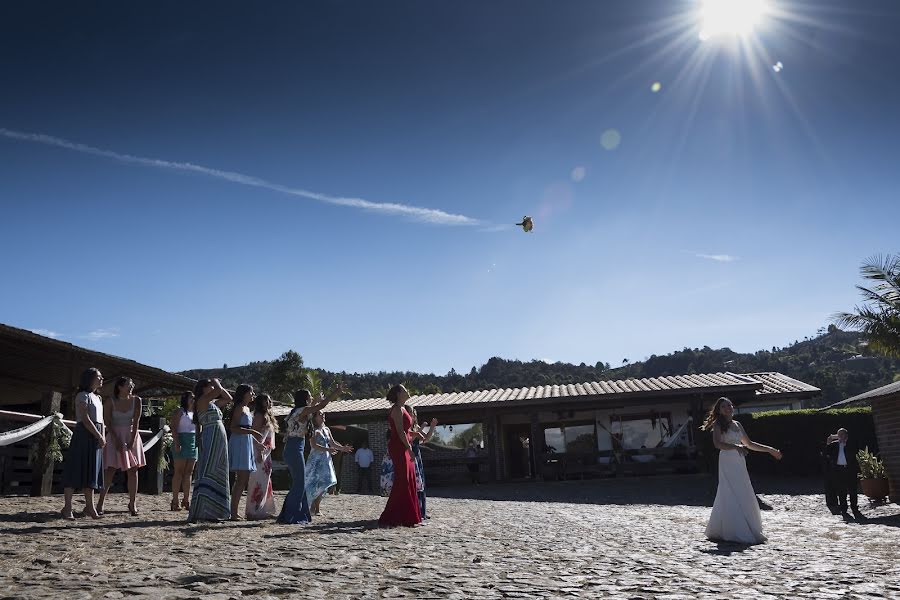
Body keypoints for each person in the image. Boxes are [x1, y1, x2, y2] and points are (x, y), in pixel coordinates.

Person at [702, 397, 782, 544]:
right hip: (727, 459)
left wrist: (769, 450)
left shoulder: (737, 424)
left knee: (743, 490)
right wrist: (735, 447)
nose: (727, 408)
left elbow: (749, 444)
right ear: (719, 410)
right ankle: (733, 529)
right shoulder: (719, 424)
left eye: (729, 405)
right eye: (724, 406)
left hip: (739, 462)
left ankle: (747, 526)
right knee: (730, 491)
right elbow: (717, 444)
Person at [277, 383, 347, 524]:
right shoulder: (303, 411)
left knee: (299, 482)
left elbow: (313, 407)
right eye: (309, 397)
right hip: (295, 448)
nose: (311, 398)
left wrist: (316, 400)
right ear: (305, 399)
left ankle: (291, 513)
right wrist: (336, 392)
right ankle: (291, 515)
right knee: (299, 483)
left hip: (293, 447)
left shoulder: (296, 411)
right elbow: (320, 407)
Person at [60, 368, 106, 520]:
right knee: (76, 468)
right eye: (98, 377)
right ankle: (67, 507)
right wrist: (98, 435)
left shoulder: (98, 398)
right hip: (84, 434)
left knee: (92, 471)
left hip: (96, 436)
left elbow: (102, 421)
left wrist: (102, 436)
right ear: (90, 378)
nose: (101, 379)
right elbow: (85, 418)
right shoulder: (82, 395)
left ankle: (90, 507)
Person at [97, 377, 147, 516]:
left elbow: (136, 421)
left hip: (131, 434)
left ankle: (132, 503)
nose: (131, 387)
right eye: (128, 385)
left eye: (132, 384)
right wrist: (116, 439)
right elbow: (107, 421)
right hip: (114, 435)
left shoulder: (137, 400)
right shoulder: (110, 401)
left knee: (133, 470)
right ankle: (100, 502)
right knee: (110, 469)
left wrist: (132, 439)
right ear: (119, 387)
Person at [188, 378, 233, 523]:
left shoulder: (212, 404)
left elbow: (228, 398)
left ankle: (215, 510)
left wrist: (217, 385)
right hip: (210, 436)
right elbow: (219, 391)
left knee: (218, 470)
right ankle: (203, 509)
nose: (212, 388)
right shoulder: (201, 401)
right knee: (209, 470)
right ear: (204, 388)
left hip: (218, 437)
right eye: (210, 386)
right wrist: (216, 382)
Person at [379, 384, 422, 527]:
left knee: (409, 479)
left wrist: (415, 434)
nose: (408, 391)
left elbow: (407, 430)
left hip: (404, 445)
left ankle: (409, 516)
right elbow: (399, 431)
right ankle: (392, 516)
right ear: (398, 394)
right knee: (402, 480)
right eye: (404, 389)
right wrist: (409, 447)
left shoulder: (404, 409)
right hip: (399, 447)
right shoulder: (397, 410)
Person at [305, 411, 353, 515]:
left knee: (325, 483)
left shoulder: (326, 429)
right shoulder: (314, 430)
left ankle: (316, 507)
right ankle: (313, 507)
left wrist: (342, 448)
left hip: (325, 460)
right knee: (314, 484)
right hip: (316, 460)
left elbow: (332, 443)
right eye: (320, 414)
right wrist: (328, 450)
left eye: (323, 414)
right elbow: (313, 445)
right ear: (315, 417)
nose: (323, 415)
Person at [228, 384, 264, 521]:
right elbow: (233, 427)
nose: (253, 395)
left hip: (246, 442)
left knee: (244, 479)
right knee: (241, 478)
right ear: (244, 394)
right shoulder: (239, 408)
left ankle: (235, 510)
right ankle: (233, 512)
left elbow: (247, 429)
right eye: (251, 392)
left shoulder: (248, 409)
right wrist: (252, 432)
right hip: (239, 443)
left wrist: (256, 442)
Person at [246, 393, 278, 520]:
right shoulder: (259, 416)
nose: (269, 403)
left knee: (265, 482)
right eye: (266, 401)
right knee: (257, 481)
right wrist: (258, 451)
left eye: (270, 400)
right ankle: (253, 511)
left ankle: (262, 509)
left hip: (266, 452)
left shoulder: (268, 417)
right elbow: (252, 435)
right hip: (258, 451)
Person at [825, 428, 864, 520]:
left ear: (846, 436)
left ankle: (854, 507)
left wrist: (845, 443)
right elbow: (826, 454)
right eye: (839, 435)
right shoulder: (834, 445)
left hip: (850, 470)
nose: (840, 437)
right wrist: (828, 443)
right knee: (841, 491)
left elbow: (856, 451)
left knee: (852, 490)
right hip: (838, 470)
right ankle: (844, 509)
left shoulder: (852, 444)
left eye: (842, 435)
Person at [169, 391, 197, 512]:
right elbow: (173, 427)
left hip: (193, 442)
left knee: (189, 472)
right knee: (179, 472)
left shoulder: (196, 413)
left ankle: (186, 499)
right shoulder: (180, 412)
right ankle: (175, 500)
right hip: (181, 440)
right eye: (191, 397)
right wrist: (177, 442)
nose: (193, 400)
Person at [409, 406, 438, 519]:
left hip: (417, 456)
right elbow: (409, 439)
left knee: (421, 484)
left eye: (414, 414)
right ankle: (414, 511)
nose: (413, 416)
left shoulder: (415, 427)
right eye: (411, 413)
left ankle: (422, 512)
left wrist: (432, 426)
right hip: (410, 455)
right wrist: (420, 430)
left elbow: (425, 439)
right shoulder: (406, 428)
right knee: (413, 484)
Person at [379, 429, 394, 497]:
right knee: (389, 476)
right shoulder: (392, 441)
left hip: (387, 461)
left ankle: (386, 491)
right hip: (390, 461)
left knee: (386, 477)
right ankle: (388, 491)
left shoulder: (388, 441)